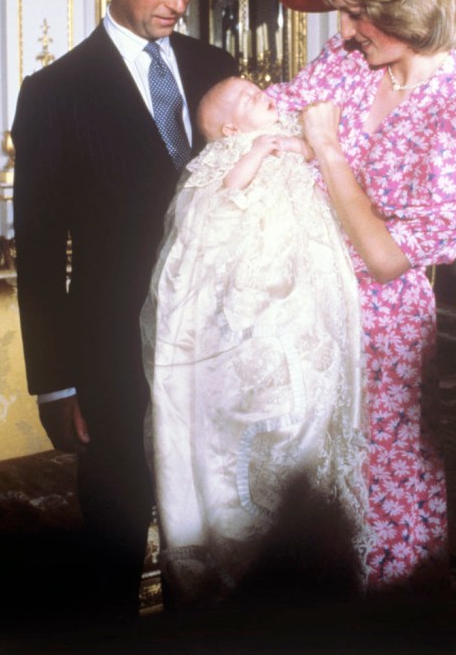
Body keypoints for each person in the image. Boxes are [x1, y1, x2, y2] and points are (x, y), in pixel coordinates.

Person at [268, 0, 456, 592]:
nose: (341, 31)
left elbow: (383, 258)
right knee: (303, 487)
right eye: (342, 14)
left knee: (381, 489)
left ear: (404, 6)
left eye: (355, 15)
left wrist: (323, 147)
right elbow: (268, 111)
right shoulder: (347, 64)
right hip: (302, 307)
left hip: (382, 330)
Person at [11, 0, 237, 621]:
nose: (178, 1)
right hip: (110, 355)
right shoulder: (54, 94)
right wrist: (53, 382)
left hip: (217, 343)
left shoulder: (215, 66)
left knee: (219, 527)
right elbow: (40, 254)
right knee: (114, 531)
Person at [140, 77, 368, 608]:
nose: (261, 91)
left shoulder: (283, 133)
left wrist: (295, 144)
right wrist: (259, 150)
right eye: (245, 98)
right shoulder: (228, 154)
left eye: (256, 87)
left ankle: (312, 543)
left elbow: (316, 151)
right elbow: (225, 196)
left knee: (313, 392)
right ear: (229, 130)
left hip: (302, 274)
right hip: (253, 285)